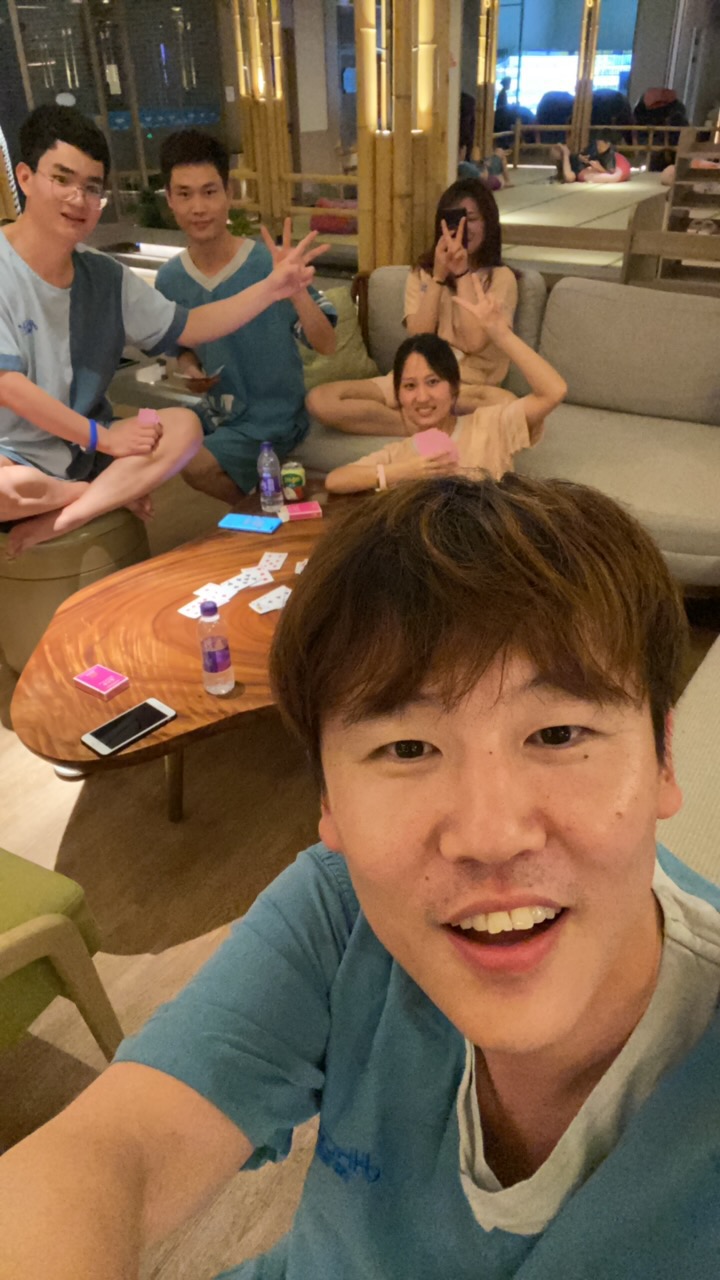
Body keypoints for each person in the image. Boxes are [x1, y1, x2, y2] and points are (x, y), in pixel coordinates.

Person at [3, 471, 720, 1279]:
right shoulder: (343, 910)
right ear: (329, 802)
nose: (490, 836)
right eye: (407, 748)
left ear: (662, 759)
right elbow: (111, 1153)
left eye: (558, 734)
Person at [0, 106, 324, 553]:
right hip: (17, 452)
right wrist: (101, 436)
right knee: (8, 486)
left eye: (92, 188)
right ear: (25, 176)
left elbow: (191, 326)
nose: (78, 199)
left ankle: (72, 510)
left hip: (93, 453)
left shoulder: (107, 276)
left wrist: (273, 288)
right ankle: (88, 496)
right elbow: (7, 386)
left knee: (183, 427)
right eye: (62, 179)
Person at [156, 130, 338, 505]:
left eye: (209, 192)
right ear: (170, 199)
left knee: (194, 465)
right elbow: (181, 347)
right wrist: (190, 369)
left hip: (274, 416)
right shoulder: (170, 279)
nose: (198, 207)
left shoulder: (266, 263)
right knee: (156, 441)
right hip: (216, 412)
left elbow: (326, 343)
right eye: (185, 194)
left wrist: (296, 291)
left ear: (229, 193)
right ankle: (265, 505)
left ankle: (261, 510)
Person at [306, 178, 519, 437]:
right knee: (320, 400)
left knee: (509, 407)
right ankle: (417, 424)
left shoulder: (501, 278)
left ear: (488, 223)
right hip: (417, 380)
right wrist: (438, 276)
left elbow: (474, 342)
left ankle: (426, 416)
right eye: (454, 220)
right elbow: (420, 337)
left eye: (471, 219)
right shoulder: (423, 274)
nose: (462, 228)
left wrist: (462, 273)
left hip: (467, 388)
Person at [325, 281, 565, 494]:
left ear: (454, 388)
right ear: (398, 395)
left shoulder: (490, 426)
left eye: (433, 382)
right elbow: (335, 481)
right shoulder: (401, 453)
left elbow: (553, 392)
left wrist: (501, 334)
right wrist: (403, 472)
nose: (422, 397)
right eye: (409, 386)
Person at [551, 131, 630, 185]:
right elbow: (569, 177)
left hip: (594, 163)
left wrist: (580, 157)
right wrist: (565, 154)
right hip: (593, 167)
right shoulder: (572, 166)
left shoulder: (575, 157)